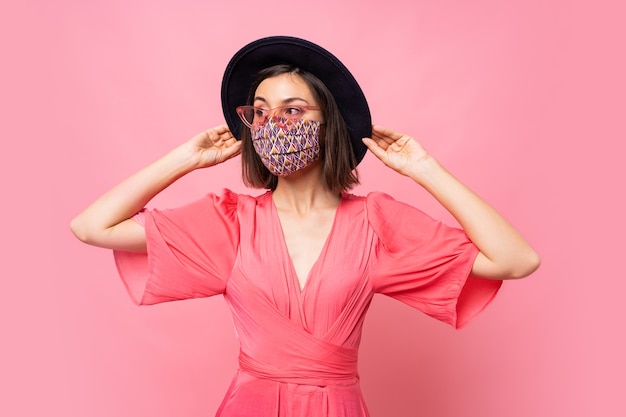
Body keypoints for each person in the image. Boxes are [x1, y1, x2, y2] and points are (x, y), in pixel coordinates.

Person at [70, 36, 540, 416]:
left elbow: (516, 260)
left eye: (293, 110)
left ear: (328, 123)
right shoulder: (229, 220)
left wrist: (425, 168)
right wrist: (186, 160)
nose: (272, 123)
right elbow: (92, 226)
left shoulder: (376, 222)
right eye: (259, 111)